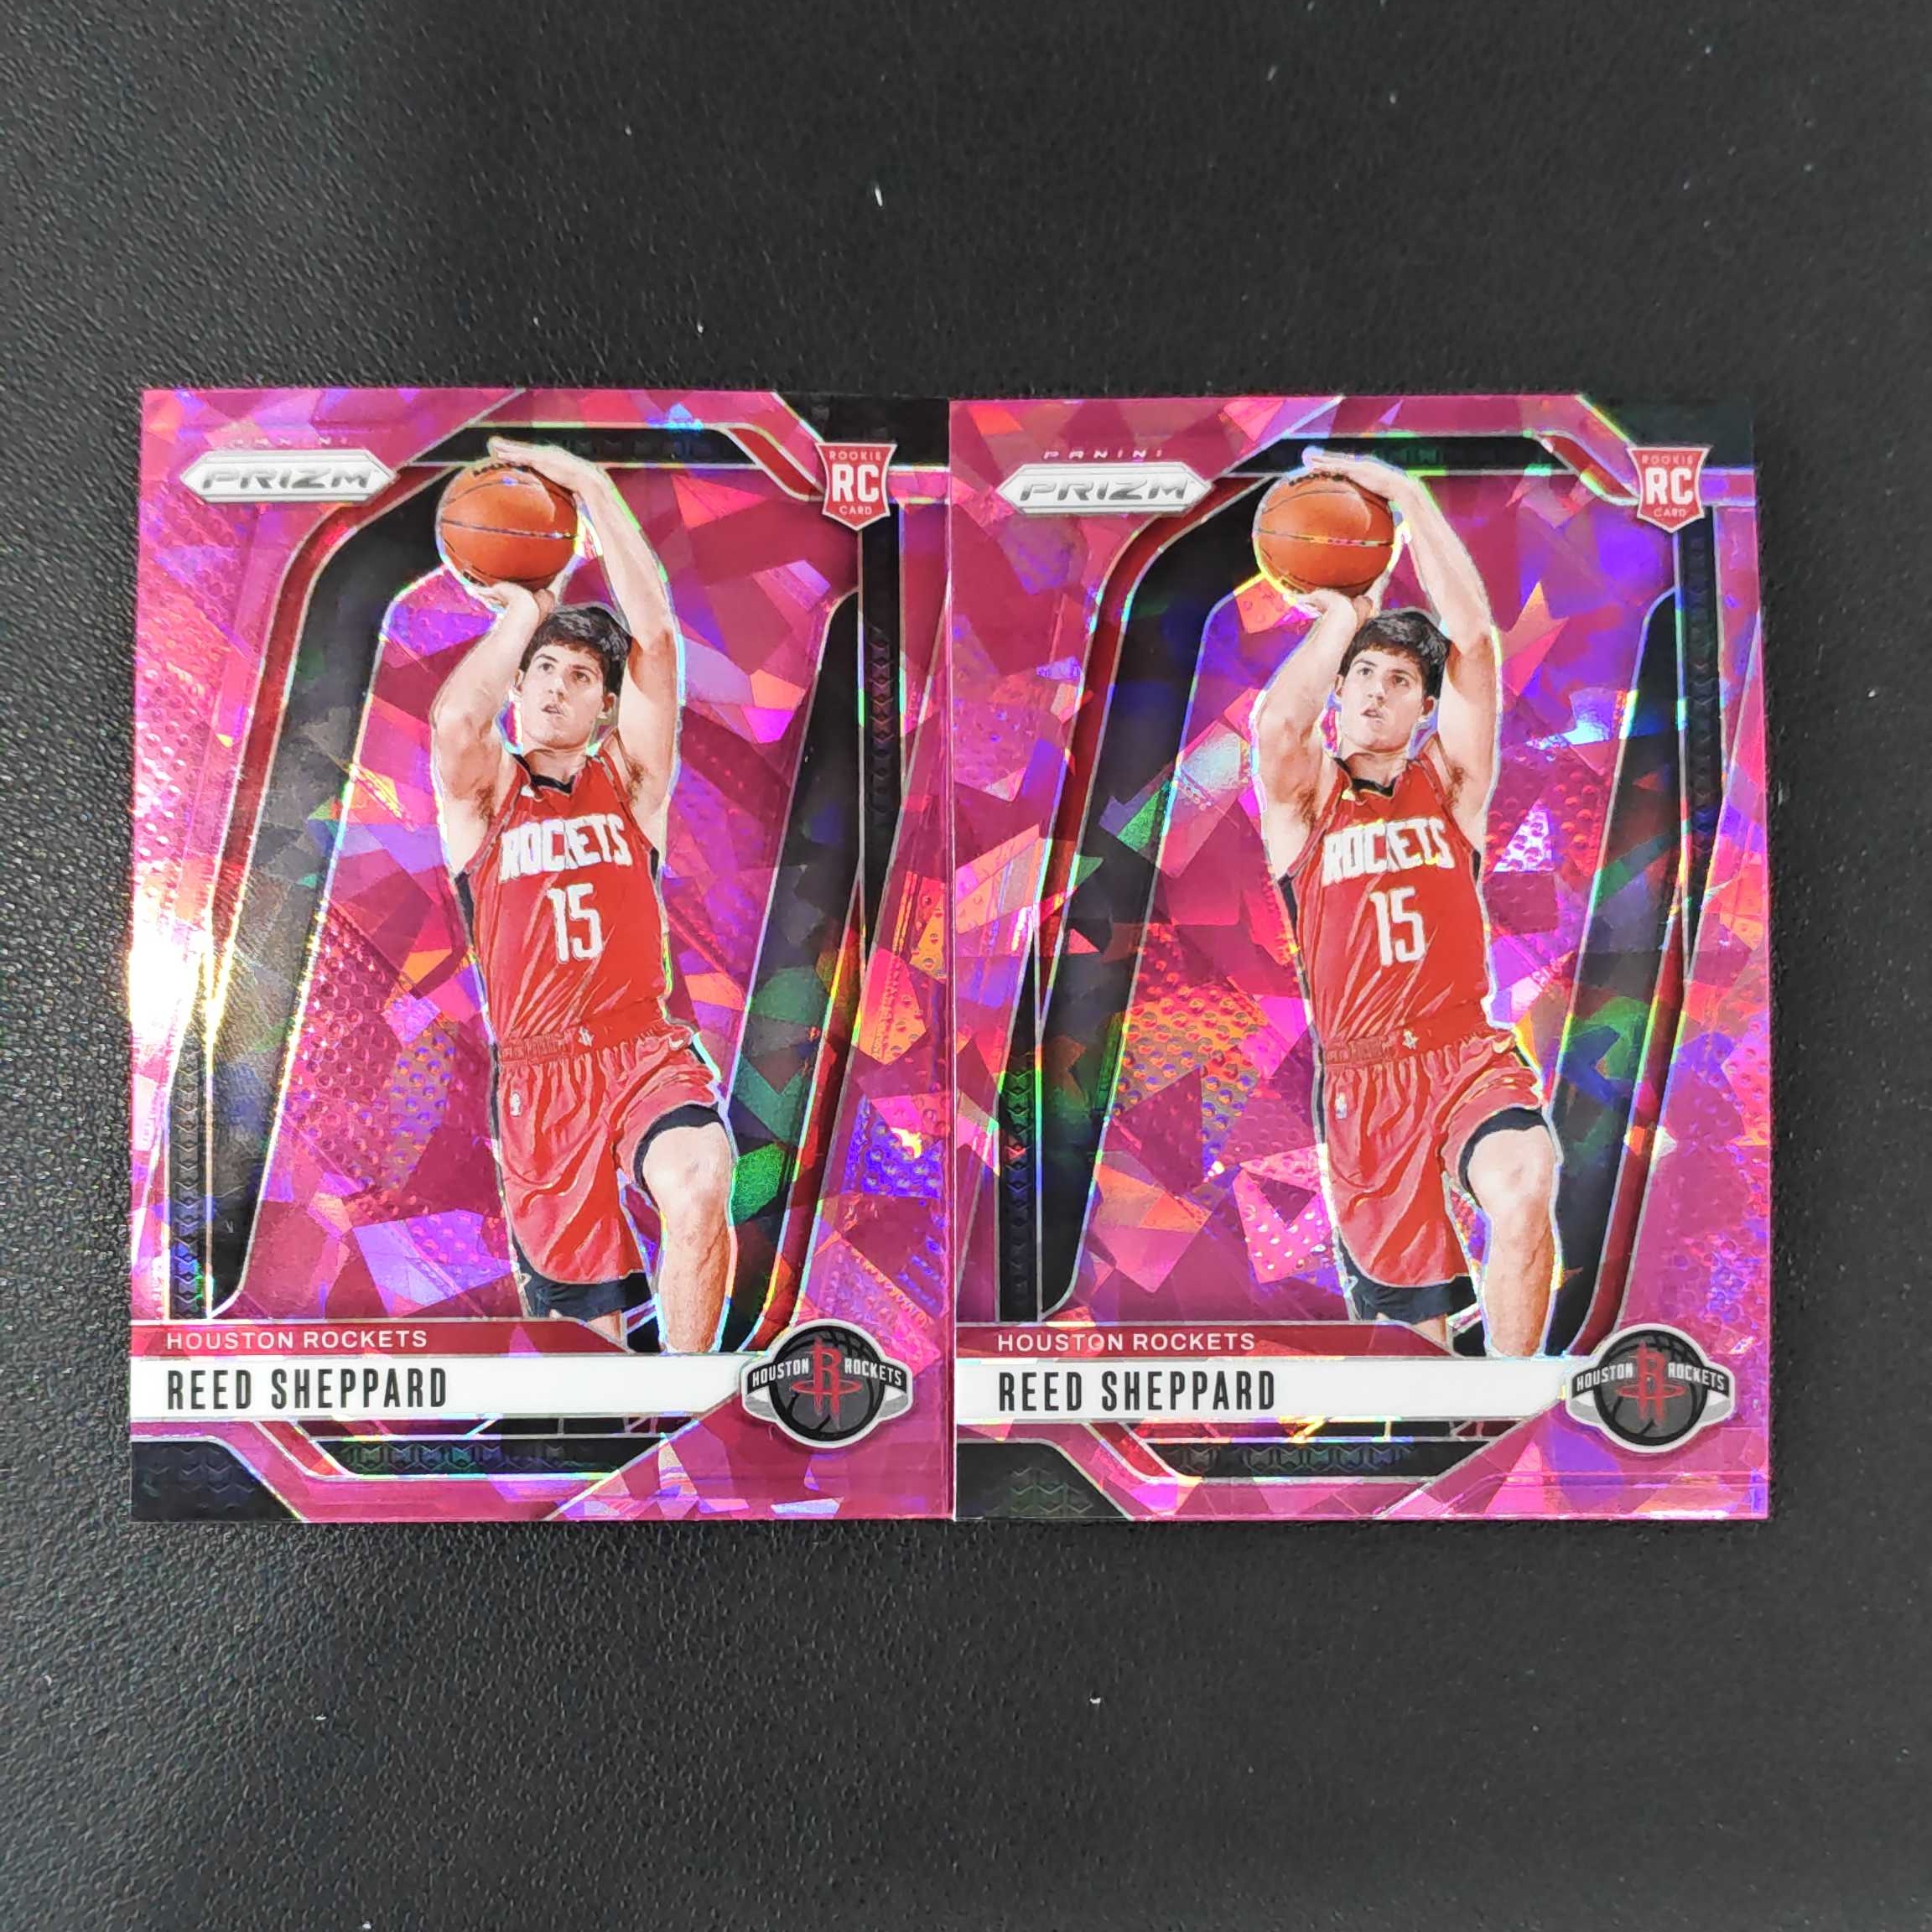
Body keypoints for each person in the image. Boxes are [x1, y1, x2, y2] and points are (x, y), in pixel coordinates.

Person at [428, 437, 734, 1350]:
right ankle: (627, 1422)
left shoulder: (630, 782)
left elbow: (658, 640)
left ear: (606, 705)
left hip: (642, 1049)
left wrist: (595, 487)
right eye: (545, 671)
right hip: (539, 1080)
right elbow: (456, 719)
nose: (560, 690)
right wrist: (525, 611)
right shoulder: (484, 799)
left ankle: (692, 1403)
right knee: (588, 1365)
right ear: (518, 686)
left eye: (582, 676)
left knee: (700, 1185)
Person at [1250, 451, 1559, 1355]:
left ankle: (1512, 1411)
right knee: (1413, 1360)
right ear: (1338, 692)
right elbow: (1276, 726)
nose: (1378, 693)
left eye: (1400, 681)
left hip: (1464, 1052)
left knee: (1526, 1186)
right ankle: (1451, 1423)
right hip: (1364, 1083)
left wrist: (1412, 499)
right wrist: (1343, 616)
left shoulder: (1450, 785)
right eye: (1364, 675)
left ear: (1425, 706)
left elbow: (1475, 643)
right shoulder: (1305, 803)